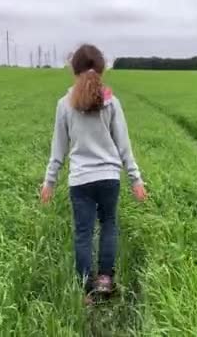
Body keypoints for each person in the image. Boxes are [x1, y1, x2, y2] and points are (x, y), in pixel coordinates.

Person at [40, 44, 147, 304]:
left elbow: (59, 148)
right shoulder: (111, 101)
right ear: (101, 69)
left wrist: (49, 181)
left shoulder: (64, 104)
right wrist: (135, 179)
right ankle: (106, 280)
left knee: (83, 233)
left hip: (80, 181)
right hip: (109, 177)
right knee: (109, 224)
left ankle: (87, 291)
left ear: (73, 70)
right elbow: (124, 145)